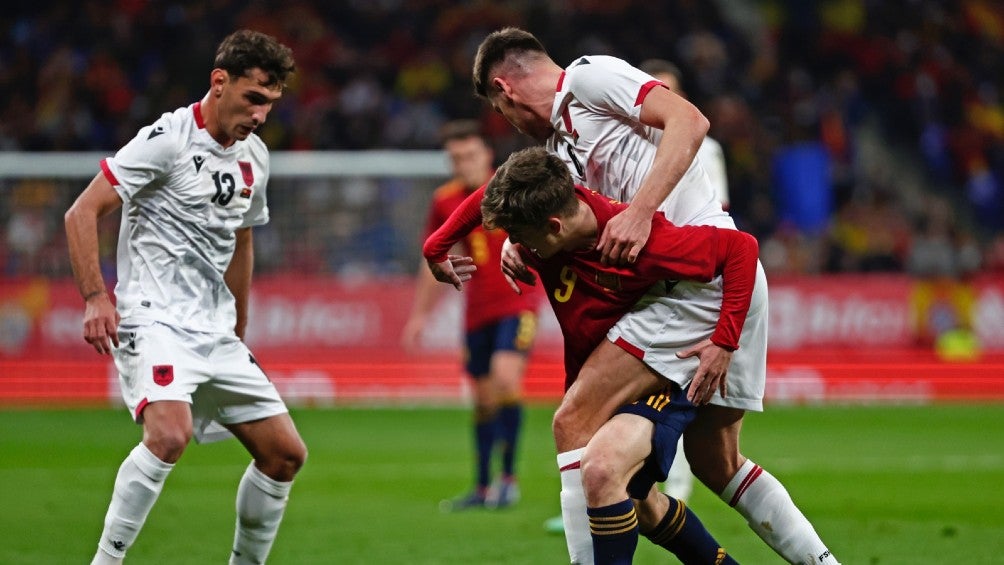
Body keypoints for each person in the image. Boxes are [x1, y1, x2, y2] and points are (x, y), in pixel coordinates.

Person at [426, 27, 839, 565]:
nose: (511, 124)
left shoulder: (590, 77)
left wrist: (641, 210)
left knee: (572, 421)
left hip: (696, 279)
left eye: (502, 113)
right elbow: (511, 191)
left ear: (504, 89)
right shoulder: (559, 147)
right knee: (717, 463)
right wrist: (510, 242)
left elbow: (690, 120)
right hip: (711, 281)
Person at [64, 30, 306, 565]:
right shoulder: (167, 138)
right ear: (219, 83)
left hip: (215, 331)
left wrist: (239, 330)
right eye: (254, 98)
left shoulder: (255, 158)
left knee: (285, 455)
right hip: (155, 318)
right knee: (170, 435)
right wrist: (95, 297)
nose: (261, 115)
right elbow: (81, 212)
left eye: (271, 103)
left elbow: (242, 239)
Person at [476, 145, 759, 563]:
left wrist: (724, 341)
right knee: (640, 505)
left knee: (583, 442)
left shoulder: (638, 240)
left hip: (659, 370)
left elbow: (741, 249)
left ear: (553, 225)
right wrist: (465, 243)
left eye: (519, 236)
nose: (516, 244)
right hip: (612, 372)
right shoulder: (560, 230)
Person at [401, 120, 540, 510]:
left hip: (519, 302)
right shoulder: (445, 200)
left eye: (470, 155)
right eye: (456, 158)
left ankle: (508, 480)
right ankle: (481, 487)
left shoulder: (514, 189)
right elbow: (434, 259)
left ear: (487, 155)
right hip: (477, 312)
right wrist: (420, 315)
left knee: (505, 382)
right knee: (481, 401)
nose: (463, 163)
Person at [638, 57, 729, 502]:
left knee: (679, 381)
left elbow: (717, 213)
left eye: (669, 91)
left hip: (687, 274)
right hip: (644, 273)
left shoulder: (705, 147)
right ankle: (622, 491)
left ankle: (673, 487)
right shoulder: (629, 140)